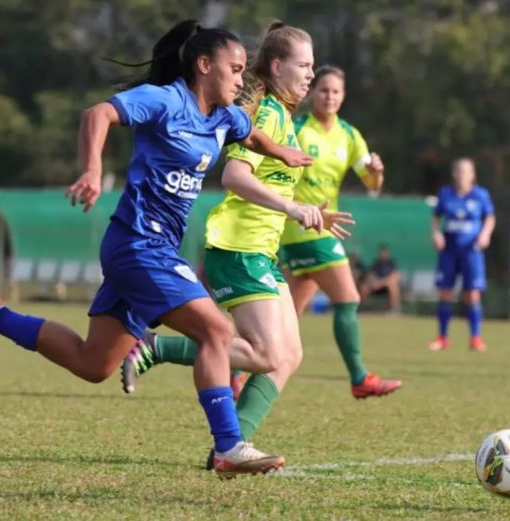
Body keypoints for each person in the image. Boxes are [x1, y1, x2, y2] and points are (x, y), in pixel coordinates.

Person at [0, 20, 320, 478]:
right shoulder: (167, 101)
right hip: (137, 244)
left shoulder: (224, 116)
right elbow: (96, 115)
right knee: (216, 334)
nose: (242, 80)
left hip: (154, 249)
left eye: (245, 70)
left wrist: (281, 152)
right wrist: (90, 170)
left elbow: (250, 133)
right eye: (235, 69)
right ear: (204, 66)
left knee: (93, 362)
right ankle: (228, 447)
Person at [118, 22, 352, 467]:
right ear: (278, 66)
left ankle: (232, 446)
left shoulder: (284, 117)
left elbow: (271, 183)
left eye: (312, 66)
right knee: (265, 353)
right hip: (237, 246)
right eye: (303, 66)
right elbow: (234, 177)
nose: (310, 75)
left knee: (289, 355)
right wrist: (291, 207)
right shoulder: (264, 114)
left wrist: (311, 209)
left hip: (260, 249)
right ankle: (154, 347)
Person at [279, 64, 401, 398]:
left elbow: (372, 183)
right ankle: (360, 377)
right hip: (302, 226)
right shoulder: (298, 128)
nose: (329, 96)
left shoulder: (348, 134)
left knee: (284, 319)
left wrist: (377, 171)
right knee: (348, 298)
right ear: (312, 93)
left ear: (343, 96)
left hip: (323, 229)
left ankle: (232, 368)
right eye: (323, 90)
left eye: (335, 91)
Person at [427, 157, 495, 352]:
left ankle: (475, 338)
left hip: (471, 251)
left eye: (465, 171)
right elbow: (436, 217)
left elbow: (489, 217)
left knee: (472, 294)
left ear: (472, 175)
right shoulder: (446, 194)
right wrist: (436, 233)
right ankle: (442, 338)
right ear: (453, 173)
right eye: (458, 170)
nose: (461, 174)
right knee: (445, 292)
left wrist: (485, 234)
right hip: (449, 251)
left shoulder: (480, 195)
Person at [359, 244, 403, 313]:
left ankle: (395, 309)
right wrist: (373, 282)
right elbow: (370, 274)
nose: (383, 254)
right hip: (375, 287)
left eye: (385, 252)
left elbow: (396, 276)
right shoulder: (376, 263)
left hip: (386, 287)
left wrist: (381, 283)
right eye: (382, 252)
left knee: (393, 286)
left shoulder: (392, 263)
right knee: (364, 286)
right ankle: (361, 308)